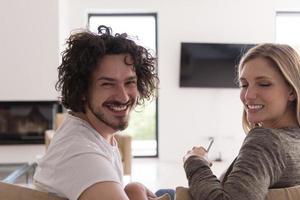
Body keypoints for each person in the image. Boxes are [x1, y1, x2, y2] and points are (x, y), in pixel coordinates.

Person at [33, 25, 159, 200]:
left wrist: (133, 189)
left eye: (129, 82)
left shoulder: (94, 136)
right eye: (107, 84)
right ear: (83, 90)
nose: (123, 97)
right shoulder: (81, 154)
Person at [183, 43, 300, 200]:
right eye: (244, 85)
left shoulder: (266, 141)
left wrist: (195, 161)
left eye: (264, 84)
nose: (248, 95)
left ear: (291, 90)